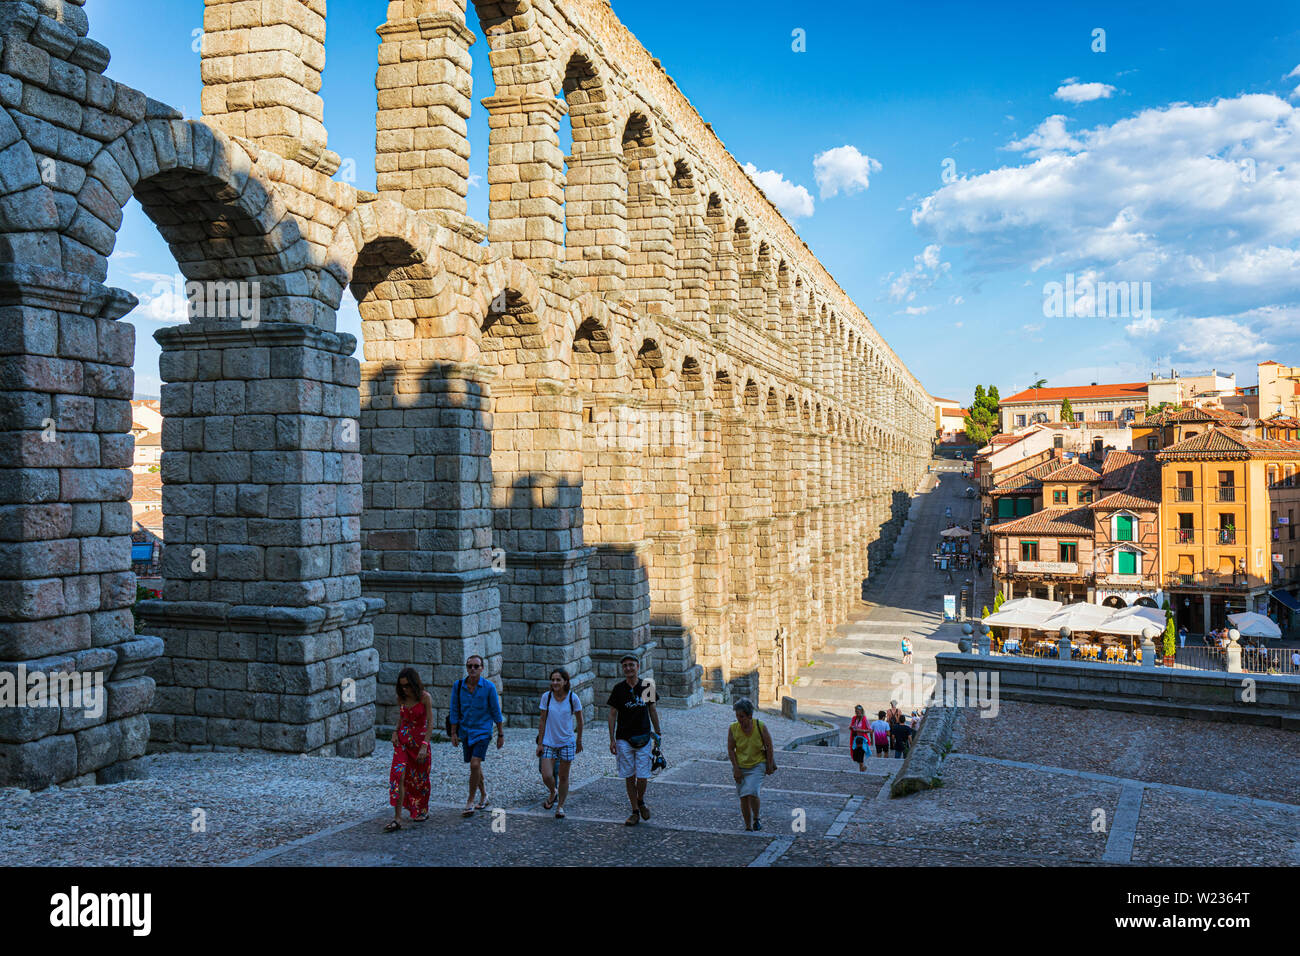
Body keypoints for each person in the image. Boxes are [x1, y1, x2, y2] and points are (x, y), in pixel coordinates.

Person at [607, 655, 661, 826]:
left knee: (643, 776)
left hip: (644, 736)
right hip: (624, 737)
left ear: (638, 666)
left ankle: (640, 800)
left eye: (631, 665)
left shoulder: (647, 685)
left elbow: (652, 710)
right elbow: (612, 714)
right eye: (625, 666)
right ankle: (635, 810)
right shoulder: (618, 689)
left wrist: (658, 733)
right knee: (629, 775)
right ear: (623, 669)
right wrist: (611, 739)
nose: (629, 668)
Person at [448, 654, 504, 817]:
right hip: (466, 731)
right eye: (469, 666)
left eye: (476, 666)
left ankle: (470, 801)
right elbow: (454, 710)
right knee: (476, 766)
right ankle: (484, 795)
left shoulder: (489, 687)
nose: (472, 669)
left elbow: (496, 711)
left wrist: (500, 734)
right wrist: (453, 733)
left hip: (483, 732)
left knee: (474, 764)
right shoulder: (458, 686)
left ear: (482, 668)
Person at [385, 667, 432, 832]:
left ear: (414, 683)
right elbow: (401, 718)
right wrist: (395, 732)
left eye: (407, 686)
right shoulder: (402, 698)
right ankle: (397, 818)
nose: (405, 689)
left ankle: (421, 809)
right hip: (402, 743)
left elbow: (430, 724)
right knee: (398, 776)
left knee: (419, 779)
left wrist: (425, 746)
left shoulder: (425, 698)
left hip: (419, 744)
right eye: (402, 686)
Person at [537, 667, 583, 819]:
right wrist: (540, 743)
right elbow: (542, 720)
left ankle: (560, 806)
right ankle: (553, 791)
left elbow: (580, 720)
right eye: (553, 680)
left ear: (565, 682)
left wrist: (579, 740)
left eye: (558, 680)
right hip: (549, 742)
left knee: (564, 777)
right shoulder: (547, 697)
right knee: (546, 775)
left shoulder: (573, 698)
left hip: (567, 742)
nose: (555, 682)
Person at [727, 698, 776, 831]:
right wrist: (736, 769)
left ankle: (756, 818)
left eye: (742, 716)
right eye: (737, 716)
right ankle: (748, 826)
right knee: (743, 796)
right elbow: (731, 749)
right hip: (741, 765)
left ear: (750, 715)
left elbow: (769, 746)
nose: (739, 719)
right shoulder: (733, 728)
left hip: (757, 764)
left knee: (753, 791)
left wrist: (769, 764)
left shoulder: (760, 726)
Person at [849, 705, 871, 771]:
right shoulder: (854, 718)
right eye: (856, 711)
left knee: (860, 754)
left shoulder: (865, 719)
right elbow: (852, 726)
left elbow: (870, 730)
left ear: (861, 711)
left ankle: (861, 769)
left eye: (858, 711)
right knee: (855, 756)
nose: (857, 713)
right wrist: (851, 727)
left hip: (862, 739)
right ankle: (862, 767)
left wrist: (862, 730)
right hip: (855, 739)